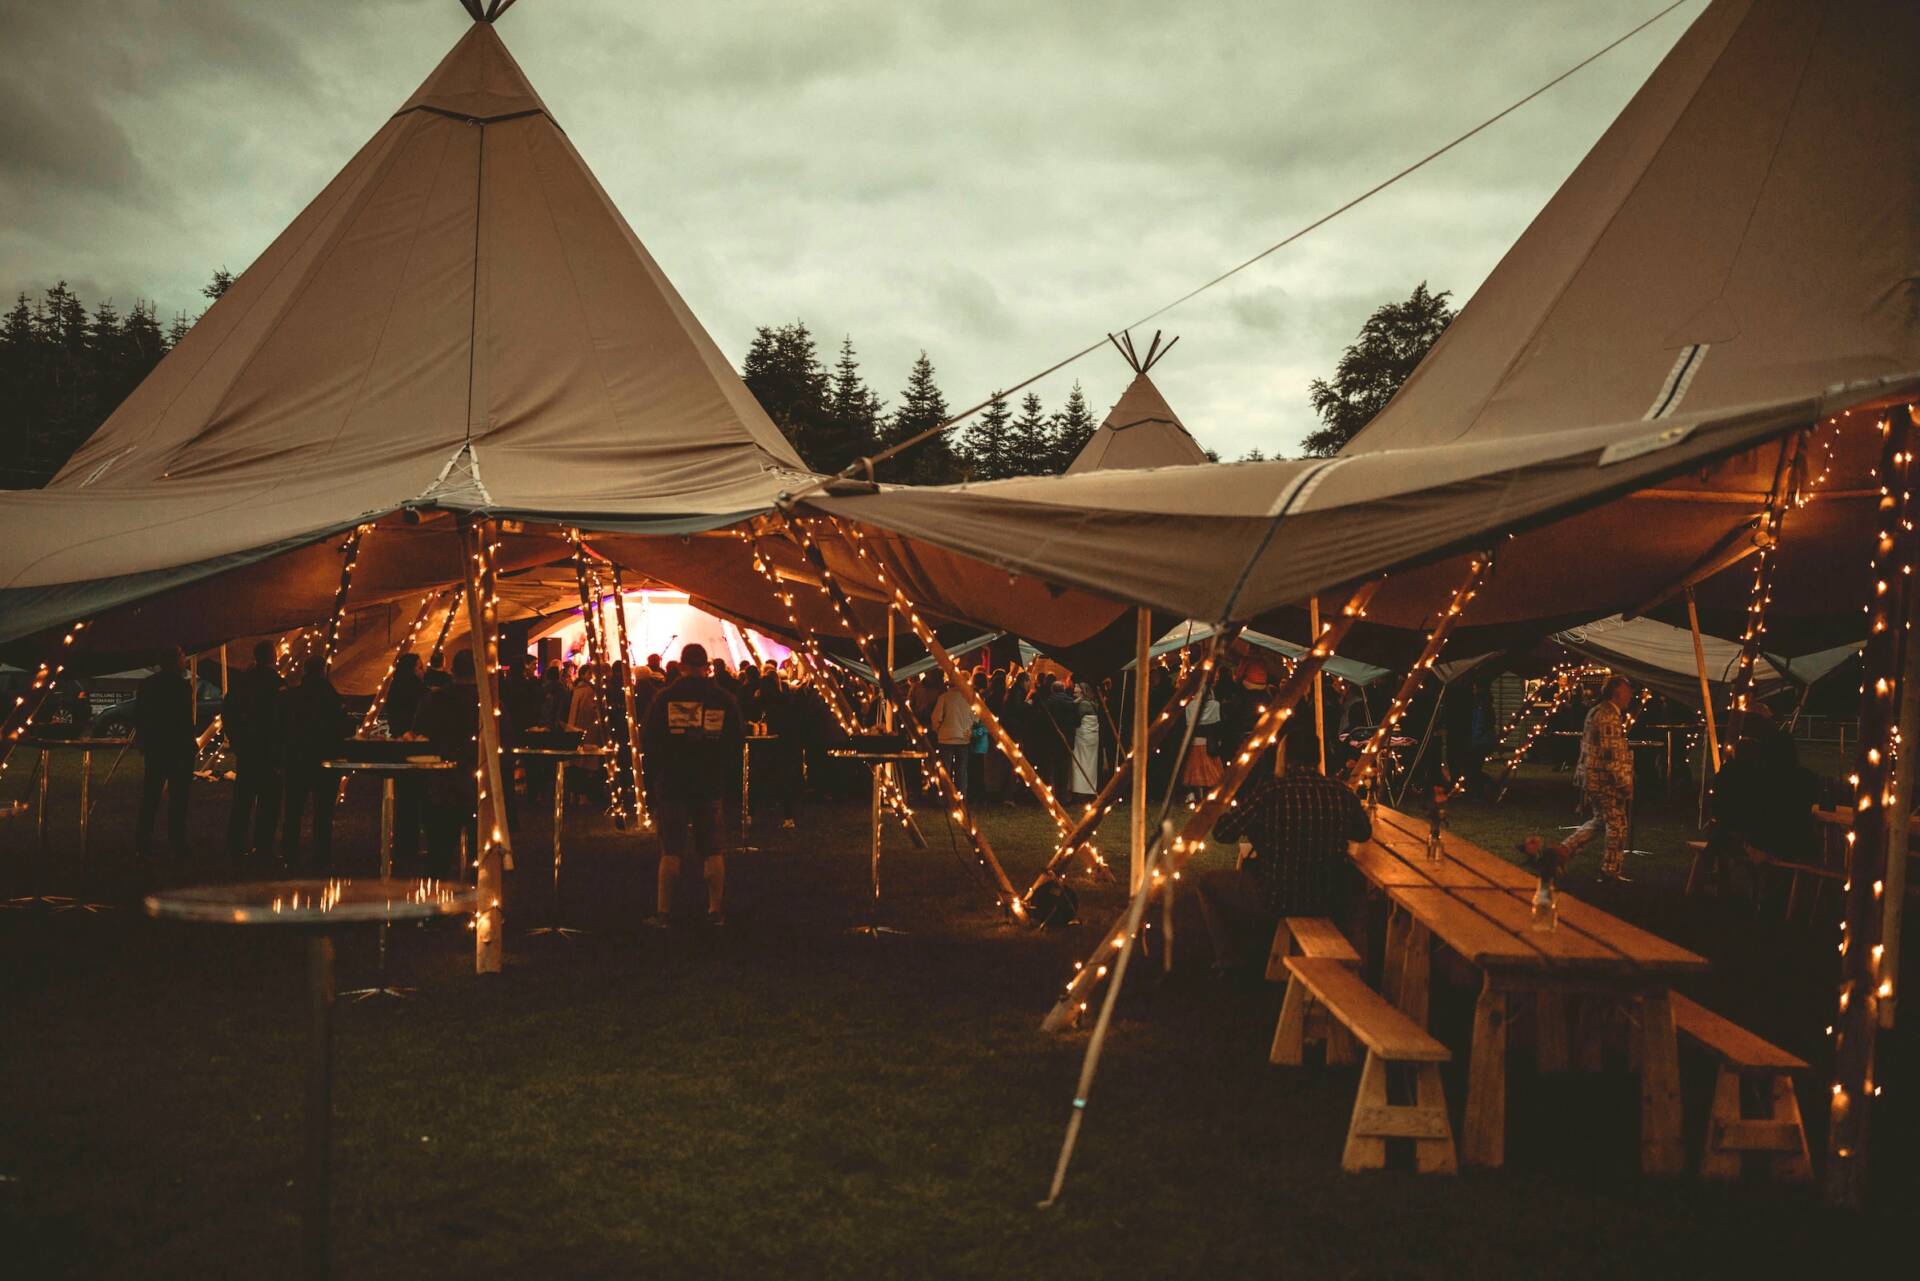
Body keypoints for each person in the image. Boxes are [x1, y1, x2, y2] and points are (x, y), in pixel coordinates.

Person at [1192, 721, 1370, 973]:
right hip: (1328, 896)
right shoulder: (1340, 792)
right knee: (1355, 883)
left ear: (1284, 756)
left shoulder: (1271, 791)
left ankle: (1229, 957)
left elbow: (1223, 833)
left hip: (1277, 895)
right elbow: (1363, 832)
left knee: (1208, 883)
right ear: (1318, 757)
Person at [641, 643, 743, 926]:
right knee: (712, 847)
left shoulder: (665, 698)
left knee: (671, 849)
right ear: (707, 666)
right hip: (708, 781)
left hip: (673, 781)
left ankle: (664, 912)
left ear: (682, 665)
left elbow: (650, 739)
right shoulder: (722, 699)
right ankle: (714, 910)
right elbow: (736, 740)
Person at [1704, 709, 1818, 901]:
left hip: (1768, 841)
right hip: (1800, 841)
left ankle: (1745, 887)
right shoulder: (1808, 778)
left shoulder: (1761, 778)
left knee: (1730, 837)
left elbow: (1753, 812)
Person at [411, 649, 480, 880]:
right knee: (481, 852)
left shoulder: (434, 700)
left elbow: (419, 736)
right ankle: (479, 903)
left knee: (439, 853)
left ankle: (435, 905)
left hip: (441, 783)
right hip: (480, 785)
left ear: (452, 670)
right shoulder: (488, 703)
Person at [1561, 674, 1635, 881]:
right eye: (1627, 692)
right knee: (1618, 825)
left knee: (1600, 821)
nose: (1630, 697)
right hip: (1605, 780)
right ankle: (1611, 869)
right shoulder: (1608, 716)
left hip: (1593, 777)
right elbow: (1610, 753)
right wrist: (1624, 781)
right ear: (1617, 693)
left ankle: (1563, 850)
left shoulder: (1596, 711)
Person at [281, 656, 350, 873]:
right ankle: (321, 856)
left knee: (293, 810)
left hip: (297, 759)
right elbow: (342, 729)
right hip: (325, 761)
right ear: (323, 671)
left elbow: (283, 726)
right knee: (323, 812)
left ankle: (289, 853)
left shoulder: (292, 697)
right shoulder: (332, 698)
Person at [133, 645, 196, 870]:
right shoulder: (181, 686)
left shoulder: (148, 685)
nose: (185, 659)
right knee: (178, 798)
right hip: (177, 748)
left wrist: (144, 740)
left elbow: (139, 715)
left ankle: (143, 841)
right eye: (182, 656)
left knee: (151, 795)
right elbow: (184, 720)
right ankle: (176, 841)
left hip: (156, 748)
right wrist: (190, 745)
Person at [223, 642, 283, 866]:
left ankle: (235, 844)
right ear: (272, 657)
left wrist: (237, 739)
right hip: (268, 750)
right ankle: (263, 845)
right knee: (269, 802)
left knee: (243, 800)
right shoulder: (276, 684)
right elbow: (282, 718)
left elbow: (228, 711)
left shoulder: (243, 683)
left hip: (247, 749)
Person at [386, 652, 429, 863]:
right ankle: (411, 844)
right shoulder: (420, 691)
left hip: (399, 747)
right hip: (418, 748)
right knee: (418, 797)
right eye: (420, 667)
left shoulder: (394, 688)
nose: (424, 671)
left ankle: (403, 843)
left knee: (403, 798)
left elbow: (392, 715)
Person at [930, 671, 976, 799]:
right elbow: (975, 718)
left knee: (946, 770)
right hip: (963, 738)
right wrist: (968, 729)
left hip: (946, 737)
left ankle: (946, 796)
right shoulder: (970, 698)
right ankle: (961, 796)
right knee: (961, 770)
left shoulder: (944, 697)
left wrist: (938, 729)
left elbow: (936, 717)